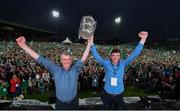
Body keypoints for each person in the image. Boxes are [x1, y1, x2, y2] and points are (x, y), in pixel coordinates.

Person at [16, 36, 92, 110]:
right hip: (60, 104)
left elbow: (83, 58)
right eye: (64, 59)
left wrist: (89, 44)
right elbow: (41, 59)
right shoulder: (55, 70)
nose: (66, 61)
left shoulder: (75, 69)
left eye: (68, 59)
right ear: (61, 61)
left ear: (71, 60)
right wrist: (23, 46)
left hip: (74, 103)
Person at [90, 31, 148, 109]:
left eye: (117, 56)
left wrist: (143, 40)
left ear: (120, 56)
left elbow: (135, 54)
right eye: (113, 55)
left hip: (119, 94)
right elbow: (97, 56)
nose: (115, 57)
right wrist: (91, 42)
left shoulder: (123, 63)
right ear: (110, 56)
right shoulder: (106, 63)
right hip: (107, 93)